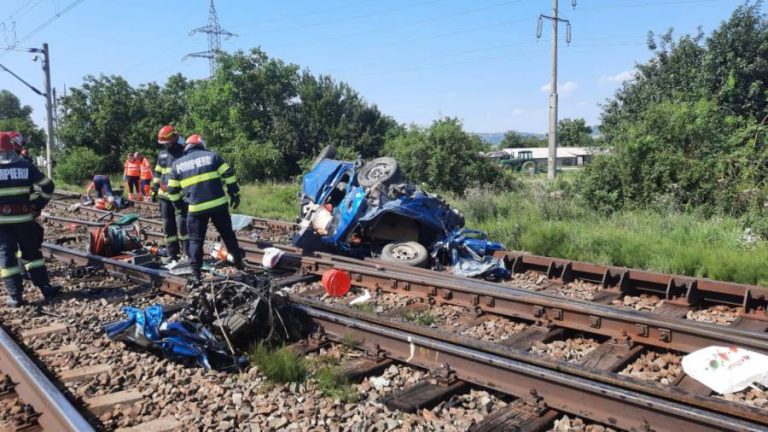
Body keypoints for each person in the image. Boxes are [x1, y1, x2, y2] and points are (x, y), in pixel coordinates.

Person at [167, 134, 242, 282]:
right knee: (228, 236)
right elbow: (228, 174)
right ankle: (239, 266)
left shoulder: (177, 164)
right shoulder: (213, 156)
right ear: (200, 144)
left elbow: (172, 190)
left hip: (195, 209)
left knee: (196, 241)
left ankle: (196, 274)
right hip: (218, 206)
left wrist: (180, 208)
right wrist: (234, 194)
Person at [0, 132, 59, 307]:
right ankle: (45, 287)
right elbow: (48, 186)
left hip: (2, 224)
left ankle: (15, 297)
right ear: (11, 147)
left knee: (7, 259)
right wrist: (36, 206)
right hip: (24, 219)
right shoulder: (25, 165)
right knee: (33, 255)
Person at [151, 125, 188, 262]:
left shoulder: (183, 153)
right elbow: (157, 173)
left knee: (183, 226)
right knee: (168, 227)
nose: (165, 145)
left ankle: (187, 254)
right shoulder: (162, 154)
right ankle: (172, 255)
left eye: (167, 142)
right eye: (164, 143)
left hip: (179, 196)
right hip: (164, 197)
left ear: (174, 138)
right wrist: (154, 189)